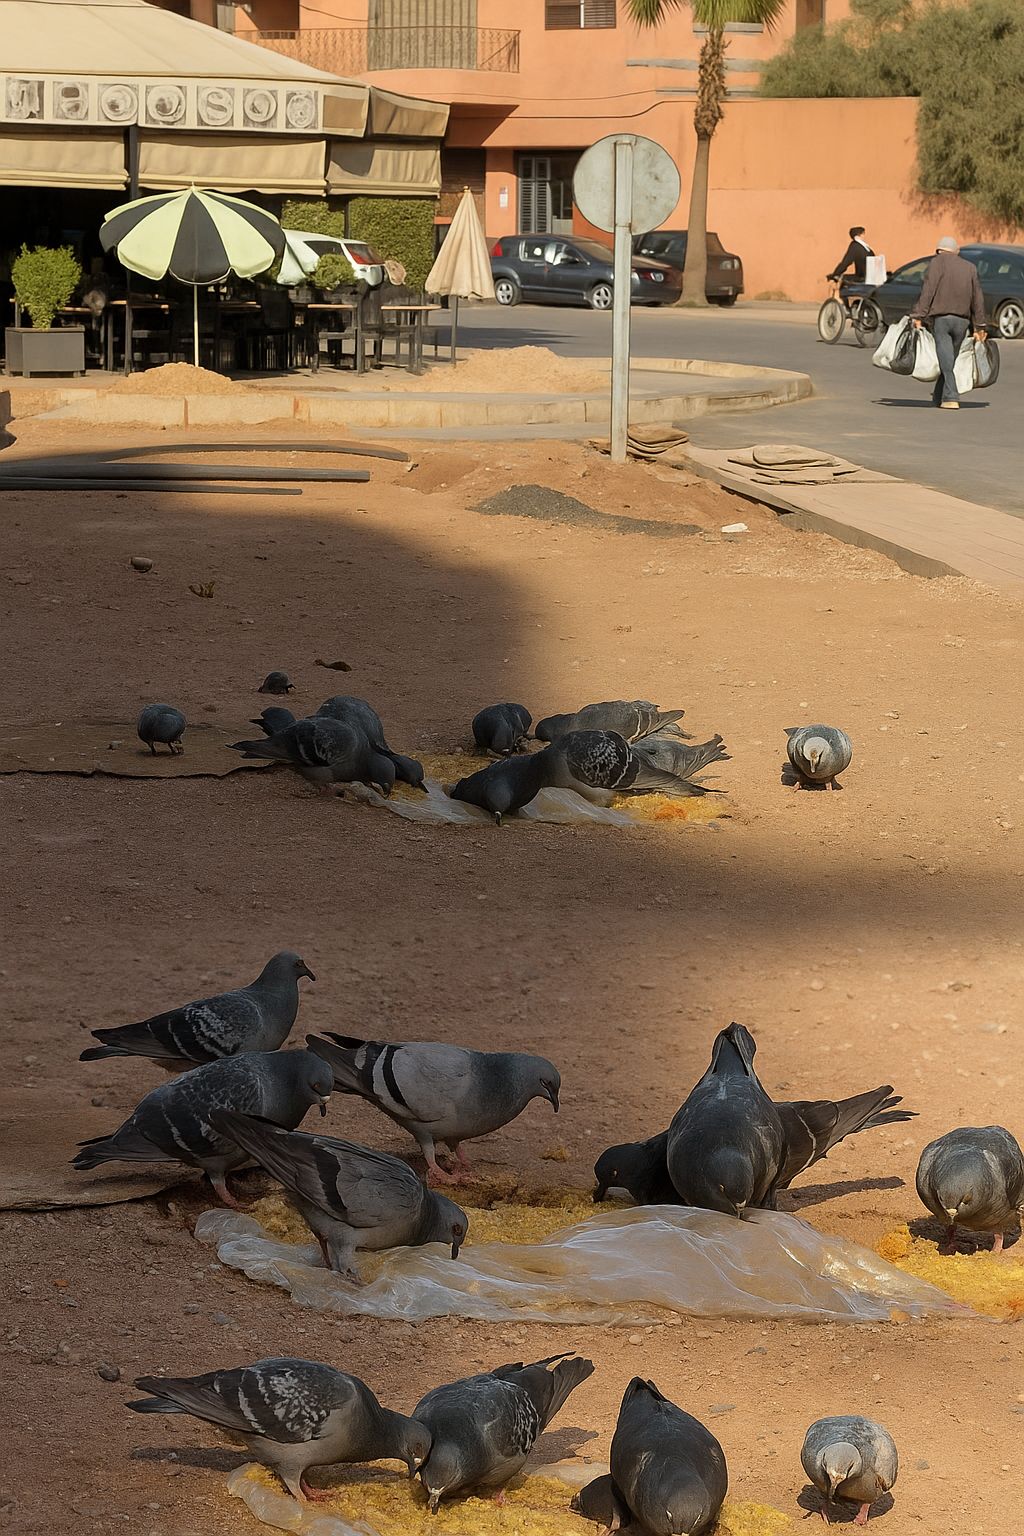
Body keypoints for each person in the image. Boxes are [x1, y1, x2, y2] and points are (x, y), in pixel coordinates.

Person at [911, 236, 987, 410]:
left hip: (942, 320)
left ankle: (952, 396)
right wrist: (980, 325)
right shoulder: (970, 268)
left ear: (938, 250)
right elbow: (978, 298)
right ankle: (939, 396)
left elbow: (927, 291)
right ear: (956, 251)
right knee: (948, 359)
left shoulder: (936, 264)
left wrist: (918, 315)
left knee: (946, 360)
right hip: (962, 321)